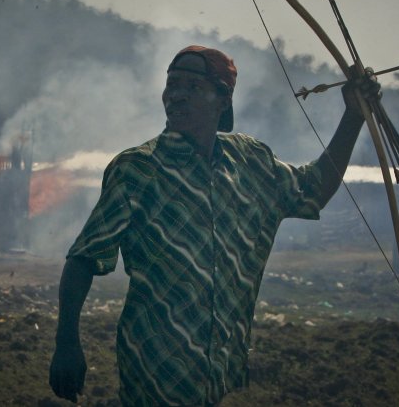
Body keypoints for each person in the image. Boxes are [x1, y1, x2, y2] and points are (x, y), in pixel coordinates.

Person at [49, 45, 379, 406]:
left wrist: (353, 116)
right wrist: (66, 342)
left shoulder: (249, 161)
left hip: (217, 362)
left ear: (223, 99)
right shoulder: (137, 169)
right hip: (156, 365)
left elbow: (312, 189)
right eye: (172, 84)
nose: (177, 94)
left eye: (192, 86)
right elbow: (83, 257)